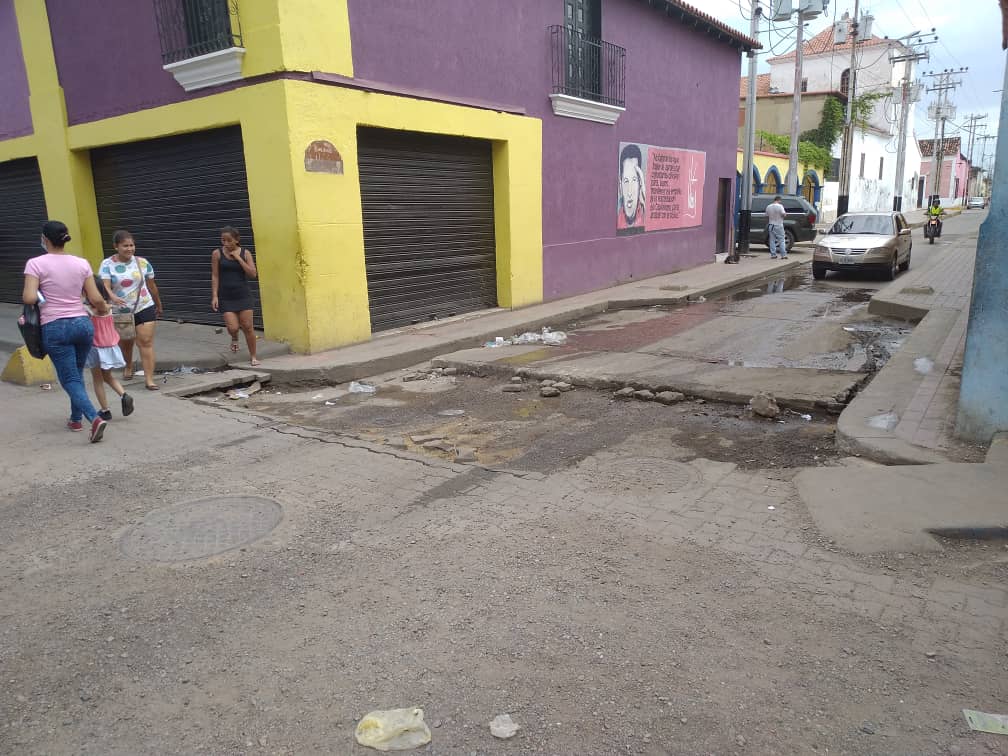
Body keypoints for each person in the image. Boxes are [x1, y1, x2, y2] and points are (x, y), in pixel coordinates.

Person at [22, 220, 110, 443]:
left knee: (69, 377)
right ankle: (75, 419)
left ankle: (94, 418)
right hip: (82, 324)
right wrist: (104, 311)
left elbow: (29, 297)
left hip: (56, 326)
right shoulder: (81, 263)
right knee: (76, 373)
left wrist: (43, 295)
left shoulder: (35, 263)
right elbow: (95, 297)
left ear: (45, 239)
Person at [100, 230, 163, 391]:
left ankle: (149, 379)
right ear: (116, 247)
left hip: (144, 305)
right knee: (126, 344)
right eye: (125, 246)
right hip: (121, 310)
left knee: (146, 342)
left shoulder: (142, 262)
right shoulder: (107, 264)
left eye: (132, 245)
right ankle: (128, 365)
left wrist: (158, 303)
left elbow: (151, 285)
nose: (129, 249)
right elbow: (105, 286)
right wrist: (112, 297)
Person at [84, 276, 134, 422]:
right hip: (111, 346)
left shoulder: (87, 310)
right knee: (108, 376)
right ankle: (124, 395)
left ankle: (105, 410)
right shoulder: (109, 307)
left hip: (96, 347)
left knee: (97, 379)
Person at [211, 226, 260, 366]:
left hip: (243, 295)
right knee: (233, 327)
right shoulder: (217, 253)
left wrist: (238, 258)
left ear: (237, 240)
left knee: (248, 326)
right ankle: (234, 337)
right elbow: (215, 276)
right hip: (226, 296)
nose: (225, 244)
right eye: (223, 240)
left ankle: (253, 356)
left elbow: (252, 274)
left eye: (229, 240)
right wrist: (214, 296)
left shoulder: (245, 253)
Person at [617, 143, 646, 232]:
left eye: (634, 180)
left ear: (640, 184)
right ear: (620, 186)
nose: (629, 192)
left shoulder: (645, 219)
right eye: (626, 181)